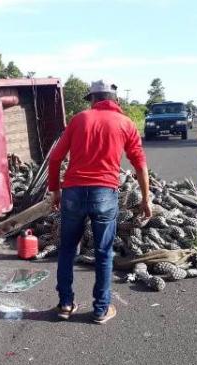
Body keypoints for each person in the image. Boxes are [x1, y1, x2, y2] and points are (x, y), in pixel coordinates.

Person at [48, 80, 151, 324]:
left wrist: (55, 191)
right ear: (115, 100)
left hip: (73, 192)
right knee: (104, 253)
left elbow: (55, 159)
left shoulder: (80, 119)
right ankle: (101, 309)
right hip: (105, 194)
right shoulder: (126, 123)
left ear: (93, 99)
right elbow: (139, 165)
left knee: (67, 250)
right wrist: (146, 198)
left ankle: (65, 304)